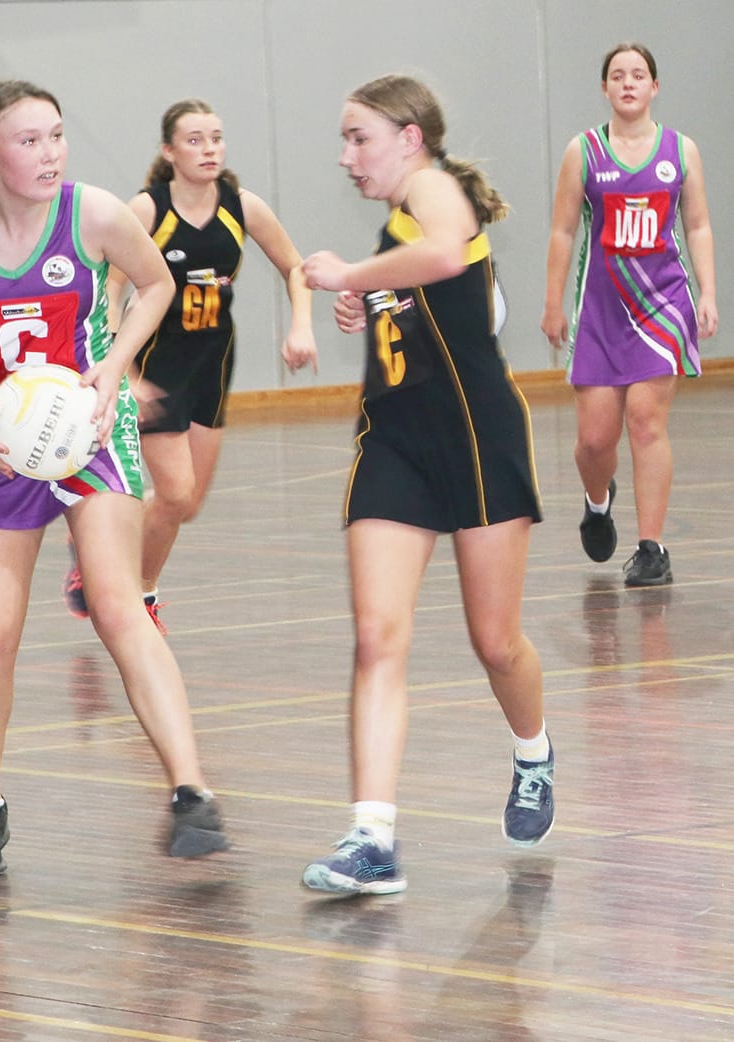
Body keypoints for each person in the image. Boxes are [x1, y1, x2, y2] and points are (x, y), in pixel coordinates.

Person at [0, 80, 228, 879]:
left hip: (88, 431)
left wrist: (112, 371)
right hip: (3, 443)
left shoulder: (93, 214)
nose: (50, 153)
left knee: (119, 605)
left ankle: (191, 790)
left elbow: (155, 285)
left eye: (56, 135)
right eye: (28, 141)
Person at [299, 74, 553, 895]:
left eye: (358, 137)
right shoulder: (394, 226)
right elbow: (413, 286)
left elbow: (445, 254)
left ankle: (533, 753)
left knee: (495, 642)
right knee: (378, 637)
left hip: (477, 440)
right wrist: (370, 295)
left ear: (409, 137)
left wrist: (350, 275)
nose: (346, 156)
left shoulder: (437, 191)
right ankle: (372, 838)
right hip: (395, 445)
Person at [61, 97, 318, 629]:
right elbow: (107, 290)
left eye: (216, 137)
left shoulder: (242, 206)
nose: (209, 149)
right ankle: (142, 596)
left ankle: (93, 541)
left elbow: (295, 266)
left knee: (187, 503)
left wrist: (301, 325)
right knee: (174, 493)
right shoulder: (147, 209)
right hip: (157, 367)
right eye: (195, 139)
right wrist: (121, 369)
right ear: (169, 150)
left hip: (213, 365)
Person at [541, 42, 718, 587]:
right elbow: (564, 231)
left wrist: (708, 292)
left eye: (639, 74)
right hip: (600, 309)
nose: (628, 82)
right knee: (596, 441)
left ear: (655, 86)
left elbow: (698, 226)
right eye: (617, 75)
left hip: (663, 302)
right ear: (605, 88)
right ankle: (598, 502)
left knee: (646, 423)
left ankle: (652, 547)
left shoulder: (680, 150)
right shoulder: (584, 151)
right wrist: (553, 303)